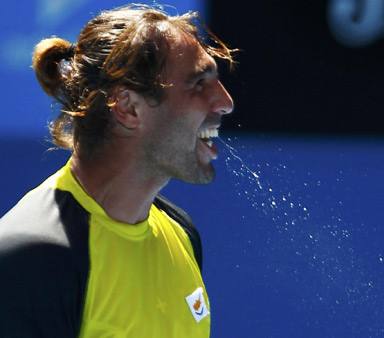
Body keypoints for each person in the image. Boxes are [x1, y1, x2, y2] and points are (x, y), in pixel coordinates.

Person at [0, 4, 235, 337]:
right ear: (128, 107)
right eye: (198, 83)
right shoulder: (33, 256)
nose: (225, 102)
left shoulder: (183, 233)